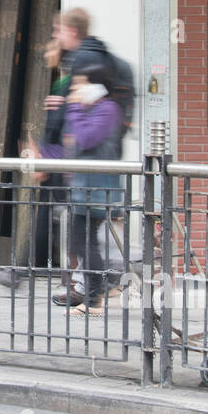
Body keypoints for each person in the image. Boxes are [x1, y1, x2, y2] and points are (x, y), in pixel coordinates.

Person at [51, 59, 125, 315]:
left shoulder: (107, 110)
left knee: (84, 242)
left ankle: (95, 297)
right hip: (84, 186)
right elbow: (72, 142)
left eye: (81, 85)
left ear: (97, 85)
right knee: (83, 241)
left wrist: (73, 110)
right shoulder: (94, 109)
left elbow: (84, 138)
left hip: (97, 188)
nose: (76, 91)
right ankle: (97, 293)